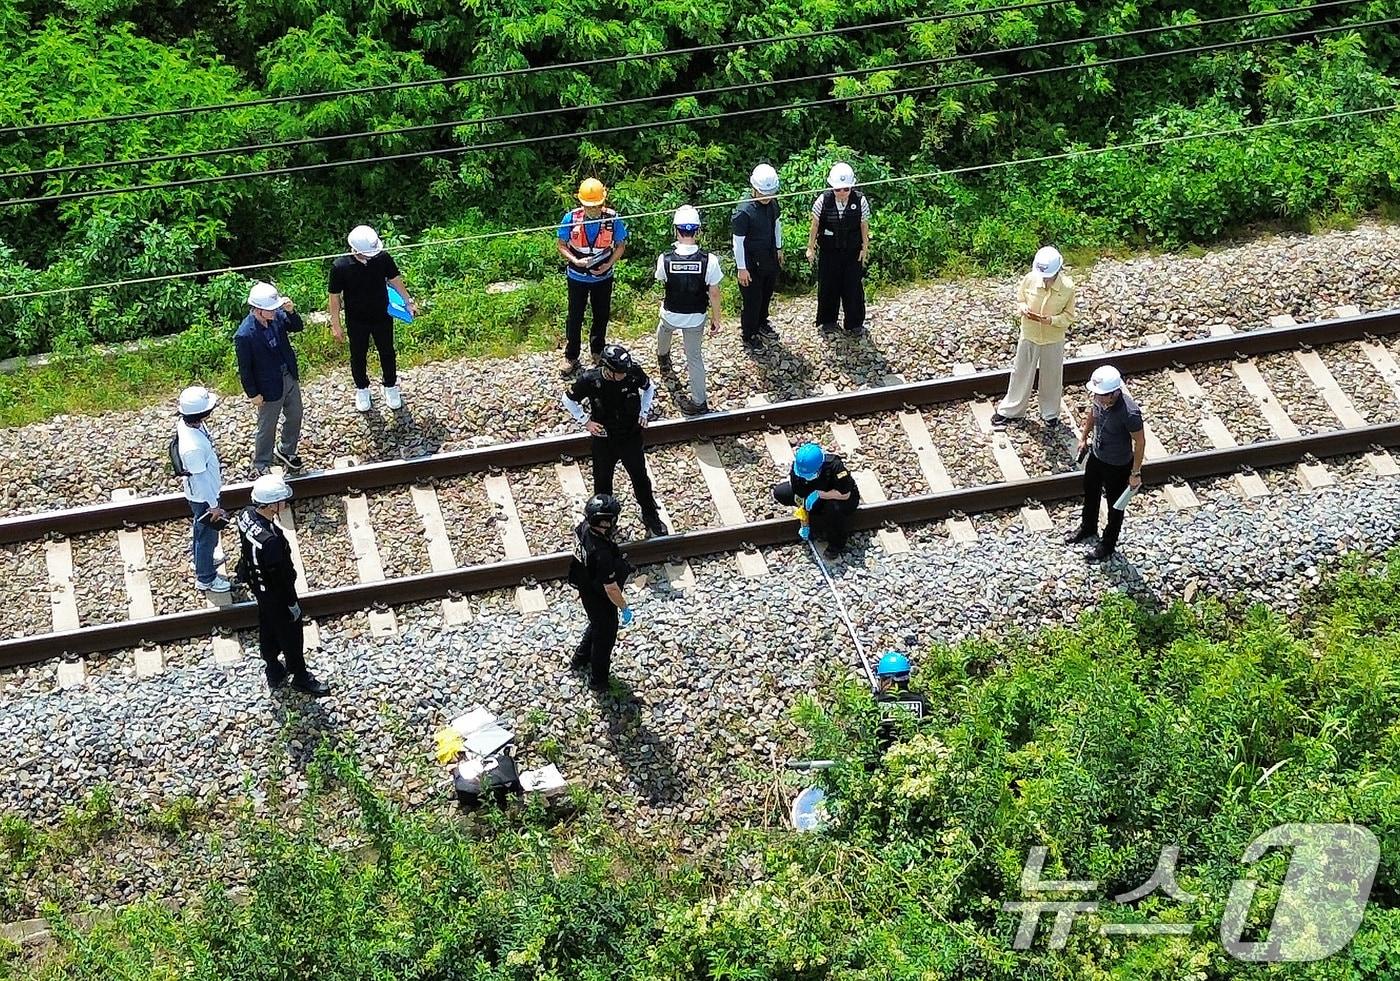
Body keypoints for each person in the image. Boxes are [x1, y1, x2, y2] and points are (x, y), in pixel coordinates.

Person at [235, 474, 331, 695]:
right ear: (270, 506)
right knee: (291, 633)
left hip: (258, 587)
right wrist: (291, 603)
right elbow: (281, 577)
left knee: (267, 624)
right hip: (275, 594)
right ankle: (300, 676)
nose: (285, 503)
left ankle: (273, 667)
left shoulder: (246, 515)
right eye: (281, 500)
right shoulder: (271, 541)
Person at [562, 344, 669, 538]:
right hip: (604, 440)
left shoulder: (632, 371)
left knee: (640, 479)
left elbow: (649, 388)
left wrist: (644, 412)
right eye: (619, 373)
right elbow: (568, 399)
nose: (624, 375)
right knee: (602, 484)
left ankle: (650, 515)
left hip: (630, 436)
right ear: (608, 370)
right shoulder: (590, 380)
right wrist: (586, 421)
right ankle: (604, 525)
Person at [328, 224, 417, 412]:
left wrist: (408, 301)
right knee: (358, 355)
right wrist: (336, 324)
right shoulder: (340, 266)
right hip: (356, 319)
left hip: (382, 315)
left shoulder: (382, 258)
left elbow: (395, 280)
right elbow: (334, 297)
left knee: (387, 351)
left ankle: (390, 386)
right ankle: (362, 389)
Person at [991, 246, 1077, 427]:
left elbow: (1069, 316)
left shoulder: (1068, 287)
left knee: (1052, 376)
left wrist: (1051, 320)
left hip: (1053, 338)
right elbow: (1021, 299)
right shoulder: (1030, 279)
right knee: (1020, 372)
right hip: (1029, 334)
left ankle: (1050, 413)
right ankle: (1011, 410)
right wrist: (1022, 308)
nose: (1045, 278)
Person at [1067, 365, 1145, 563]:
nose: (1098, 399)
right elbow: (1093, 415)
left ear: (1115, 393)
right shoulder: (1099, 401)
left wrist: (1135, 472)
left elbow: (1140, 442)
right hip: (1097, 455)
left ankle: (1108, 544)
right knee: (1090, 492)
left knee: (1115, 506)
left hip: (1118, 465)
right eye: (1096, 395)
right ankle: (1088, 527)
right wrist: (1084, 438)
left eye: (1102, 396)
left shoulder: (1130, 413)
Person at [655, 204, 723, 415]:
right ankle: (699, 401)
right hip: (695, 317)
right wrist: (716, 318)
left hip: (671, 313)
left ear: (676, 230)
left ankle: (663, 356)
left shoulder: (664, 258)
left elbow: (662, 279)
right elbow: (714, 293)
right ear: (698, 230)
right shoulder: (709, 260)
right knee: (694, 358)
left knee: (664, 328)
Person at [556, 179, 628, 377]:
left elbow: (620, 245)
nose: (593, 209)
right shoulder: (571, 218)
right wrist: (575, 260)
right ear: (581, 203)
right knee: (575, 317)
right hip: (577, 276)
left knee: (601, 316)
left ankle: (597, 352)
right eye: (589, 205)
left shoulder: (613, 219)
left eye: (596, 205)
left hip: (603, 277)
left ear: (602, 202)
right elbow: (561, 244)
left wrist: (609, 263)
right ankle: (571, 357)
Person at [234, 282, 306, 477]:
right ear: (258, 310)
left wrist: (291, 312)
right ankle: (261, 462)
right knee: (267, 426)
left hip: (288, 376)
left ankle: (286, 450)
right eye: (271, 309)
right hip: (268, 386)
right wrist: (253, 394)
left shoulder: (277, 317)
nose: (275, 311)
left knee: (295, 414)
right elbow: (245, 369)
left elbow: (297, 327)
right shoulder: (244, 335)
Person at [567, 493, 635, 692]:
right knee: (605, 635)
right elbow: (611, 588)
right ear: (605, 522)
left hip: (584, 584)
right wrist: (624, 607)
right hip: (599, 595)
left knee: (596, 624)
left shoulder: (583, 529)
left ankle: (581, 658)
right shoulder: (602, 554)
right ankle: (598, 680)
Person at [174, 385, 230, 593]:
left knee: (202, 530)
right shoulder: (194, 447)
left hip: (202, 494)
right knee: (206, 533)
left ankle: (201, 560)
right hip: (204, 497)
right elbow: (201, 479)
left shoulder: (186, 424)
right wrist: (213, 506)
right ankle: (205, 577)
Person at [805, 162, 871, 337]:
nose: (841, 193)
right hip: (829, 251)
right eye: (837, 189)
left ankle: (854, 323)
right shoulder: (822, 200)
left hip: (852, 250)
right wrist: (810, 247)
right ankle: (828, 321)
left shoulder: (860, 201)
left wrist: (865, 247)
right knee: (828, 286)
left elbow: (864, 225)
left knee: (853, 287)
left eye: (845, 189)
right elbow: (814, 225)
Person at [772, 441, 860, 556]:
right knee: (781, 492)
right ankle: (815, 519)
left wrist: (820, 494)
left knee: (833, 509)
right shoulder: (798, 470)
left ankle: (837, 544)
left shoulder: (835, 468)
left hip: (838, 498)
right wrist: (804, 523)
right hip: (814, 497)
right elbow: (800, 497)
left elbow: (845, 494)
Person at [731, 163, 784, 353]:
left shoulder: (773, 204)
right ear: (754, 188)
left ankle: (762, 321)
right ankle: (749, 333)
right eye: (763, 193)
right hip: (750, 262)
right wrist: (741, 268)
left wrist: (779, 248)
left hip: (769, 256)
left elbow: (776, 225)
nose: (766, 197)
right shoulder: (743, 212)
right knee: (752, 300)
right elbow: (737, 242)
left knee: (766, 294)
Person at [873, 651, 929, 752]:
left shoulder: (875, 704)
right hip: (916, 755)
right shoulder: (922, 700)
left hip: (883, 758)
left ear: (888, 681)